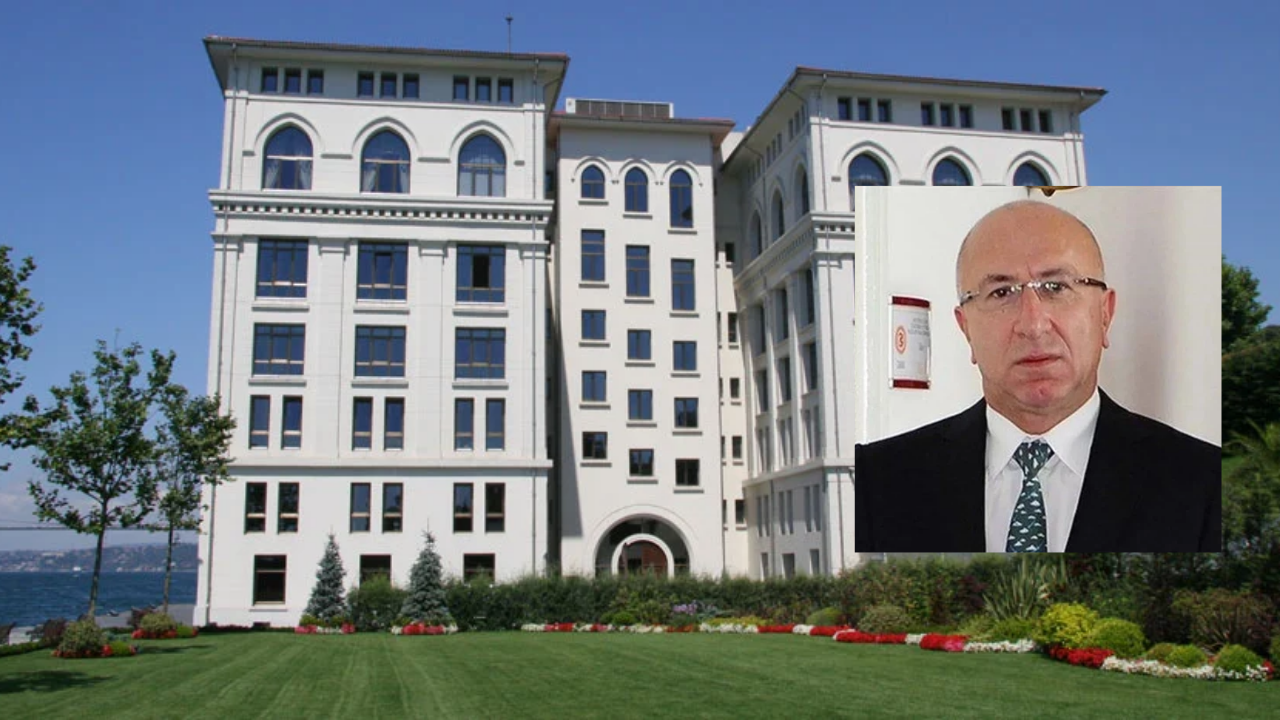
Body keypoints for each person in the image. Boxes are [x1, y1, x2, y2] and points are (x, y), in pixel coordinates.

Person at [854, 200, 1220, 553]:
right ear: (966, 329)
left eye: (1056, 287)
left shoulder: (1202, 482)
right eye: (1001, 292)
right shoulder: (881, 480)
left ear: (1105, 314)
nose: (1033, 325)